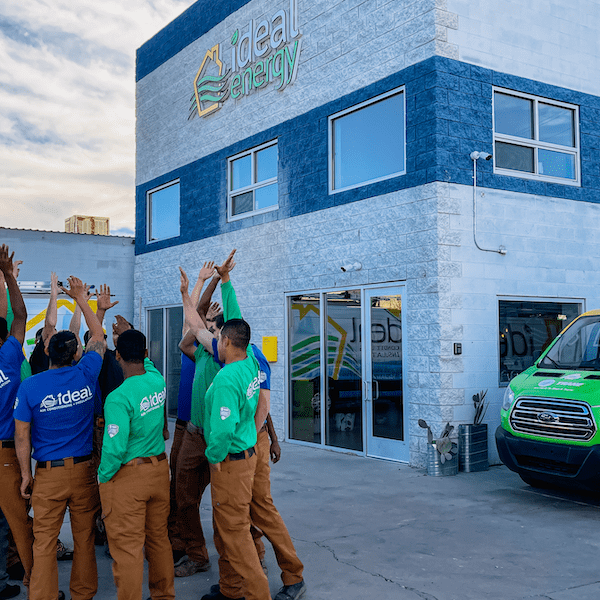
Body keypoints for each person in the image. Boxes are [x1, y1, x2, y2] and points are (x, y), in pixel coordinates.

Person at [14, 275, 106, 600]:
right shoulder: (87, 371)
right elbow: (98, 335)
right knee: (83, 541)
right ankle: (83, 595)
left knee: (44, 543)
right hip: (83, 473)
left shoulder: (31, 387)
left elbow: (22, 437)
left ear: (47, 351)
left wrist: (26, 474)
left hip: (49, 475)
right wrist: (82, 297)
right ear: (74, 353)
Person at [181, 264, 269, 600]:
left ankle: (256, 593)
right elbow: (229, 319)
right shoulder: (249, 361)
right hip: (246, 456)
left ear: (227, 341)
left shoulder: (225, 379)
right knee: (227, 531)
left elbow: (219, 431)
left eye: (218, 337)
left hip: (230, 461)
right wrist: (224, 281)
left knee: (235, 535)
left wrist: (214, 458)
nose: (212, 339)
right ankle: (231, 590)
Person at [98, 329, 175, 600]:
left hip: (128, 478)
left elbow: (114, 448)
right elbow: (149, 364)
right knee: (159, 541)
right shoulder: (157, 380)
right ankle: (164, 595)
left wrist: (102, 478)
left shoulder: (118, 398)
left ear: (117, 356)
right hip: (158, 472)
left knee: (128, 550)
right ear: (144, 354)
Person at [169, 263, 221, 577]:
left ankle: (248, 554)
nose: (203, 328)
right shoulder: (198, 351)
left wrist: (214, 280)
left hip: (221, 438)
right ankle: (195, 553)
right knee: (183, 496)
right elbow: (194, 318)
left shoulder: (225, 356)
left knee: (230, 502)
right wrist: (200, 284)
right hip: (191, 431)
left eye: (210, 326)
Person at [0, 246, 32, 599]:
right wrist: (7, 276)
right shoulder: (8, 356)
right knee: (19, 524)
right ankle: (35, 583)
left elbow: (12, 319)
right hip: (6, 455)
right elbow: (19, 316)